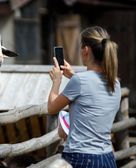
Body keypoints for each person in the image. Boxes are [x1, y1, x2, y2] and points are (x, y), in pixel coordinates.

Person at [48, 26, 121, 168]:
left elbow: (51, 108)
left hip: (80, 157)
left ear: (86, 50)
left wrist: (56, 81)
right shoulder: (115, 83)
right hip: (107, 158)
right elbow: (93, 91)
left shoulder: (80, 81)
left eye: (81, 47)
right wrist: (73, 75)